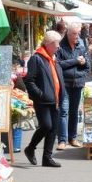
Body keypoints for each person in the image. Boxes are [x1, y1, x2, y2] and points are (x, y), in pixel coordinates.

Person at [23, 31, 65, 168]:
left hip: (55, 99)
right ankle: (30, 148)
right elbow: (29, 80)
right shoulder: (37, 58)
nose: (58, 47)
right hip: (42, 100)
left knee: (53, 129)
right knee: (46, 125)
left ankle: (47, 157)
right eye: (56, 44)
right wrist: (40, 94)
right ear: (48, 44)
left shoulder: (53, 57)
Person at [56, 22, 89, 148]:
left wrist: (81, 75)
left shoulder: (81, 45)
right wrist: (75, 61)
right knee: (64, 111)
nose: (77, 36)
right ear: (67, 33)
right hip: (65, 83)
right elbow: (58, 65)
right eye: (74, 33)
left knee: (74, 112)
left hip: (78, 83)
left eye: (78, 33)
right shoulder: (60, 46)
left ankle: (72, 138)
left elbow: (87, 66)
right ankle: (62, 140)